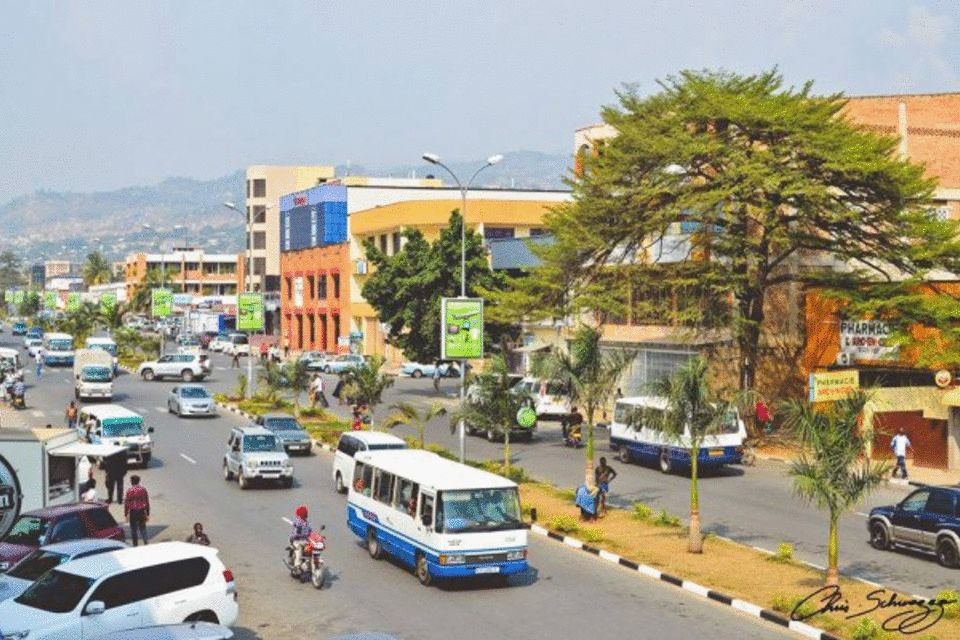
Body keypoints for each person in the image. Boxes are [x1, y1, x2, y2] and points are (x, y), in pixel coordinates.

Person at [124, 475, 150, 546]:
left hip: (133, 512)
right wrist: (147, 513)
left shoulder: (129, 491)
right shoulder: (143, 489)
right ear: (139, 481)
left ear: (132, 481)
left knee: (133, 529)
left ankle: (135, 545)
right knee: (143, 528)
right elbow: (147, 501)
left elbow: (126, 503)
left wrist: (126, 514)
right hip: (141, 511)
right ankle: (146, 542)